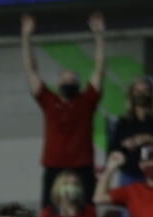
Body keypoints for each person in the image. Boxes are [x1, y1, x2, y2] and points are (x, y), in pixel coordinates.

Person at [21, 11, 106, 206]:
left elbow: (100, 68)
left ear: (78, 83)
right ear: (58, 83)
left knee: (86, 210)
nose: (69, 81)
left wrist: (99, 35)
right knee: (50, 210)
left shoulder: (87, 100)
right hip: (53, 164)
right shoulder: (48, 100)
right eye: (65, 78)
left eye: (73, 79)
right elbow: (31, 69)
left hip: (83, 165)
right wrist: (26, 37)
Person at [108, 76, 153, 189]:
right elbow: (113, 149)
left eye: (145, 91)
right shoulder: (124, 121)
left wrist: (150, 139)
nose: (141, 94)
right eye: (137, 91)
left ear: (152, 93)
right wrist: (125, 144)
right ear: (131, 94)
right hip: (129, 175)